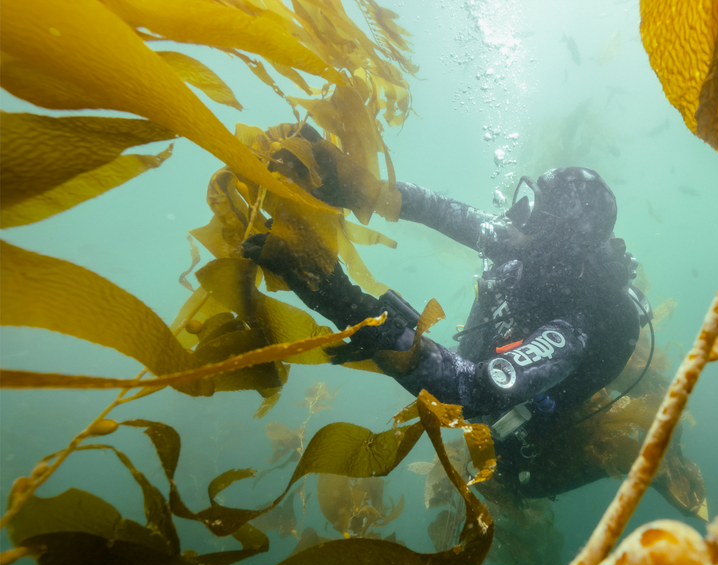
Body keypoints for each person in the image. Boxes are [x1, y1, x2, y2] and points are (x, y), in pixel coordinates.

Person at [244, 135, 647, 500]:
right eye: (527, 198)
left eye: (534, 211)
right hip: (484, 357)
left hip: (515, 447)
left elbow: (468, 390)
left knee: (506, 478)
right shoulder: (534, 248)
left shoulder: (578, 324)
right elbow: (437, 210)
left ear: (558, 238)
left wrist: (344, 301)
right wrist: (358, 188)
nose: (515, 213)